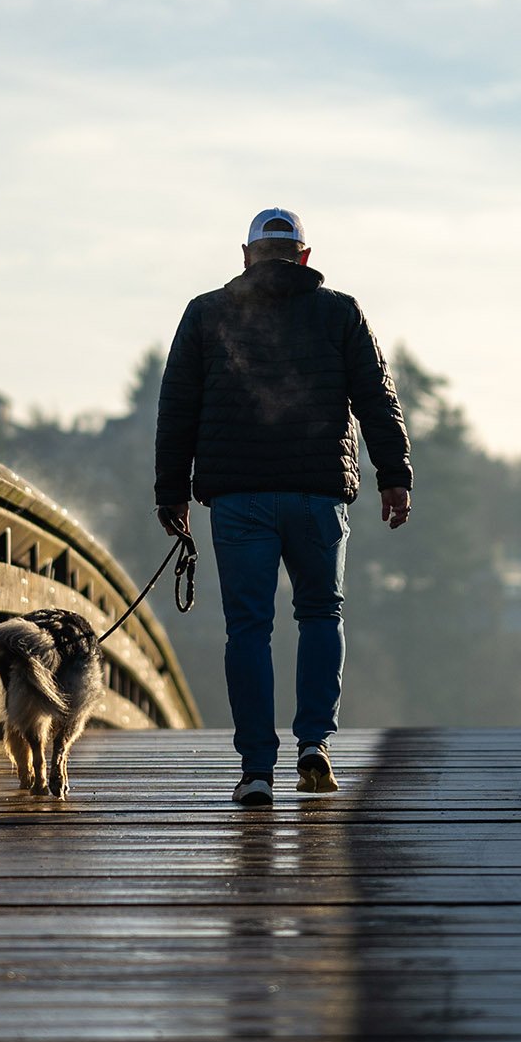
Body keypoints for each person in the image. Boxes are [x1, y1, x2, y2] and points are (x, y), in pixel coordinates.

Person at [154, 208, 412, 806]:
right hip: (317, 493)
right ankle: (314, 743)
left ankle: (255, 769)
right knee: (321, 613)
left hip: (238, 496)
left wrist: (171, 490)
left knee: (248, 627)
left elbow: (177, 407)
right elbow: (377, 397)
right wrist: (394, 476)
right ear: (303, 255)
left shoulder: (207, 312)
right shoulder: (339, 312)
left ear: (245, 255)